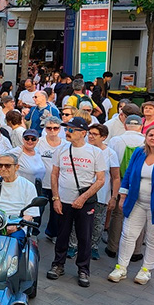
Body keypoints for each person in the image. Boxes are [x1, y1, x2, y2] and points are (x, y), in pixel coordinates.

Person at [47, 117, 106, 288]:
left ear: (83, 133)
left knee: (84, 237)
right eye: (67, 129)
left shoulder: (95, 153)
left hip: (85, 202)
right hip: (64, 200)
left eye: (71, 130)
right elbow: (54, 175)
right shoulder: (61, 150)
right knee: (62, 234)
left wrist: (83, 198)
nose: (67, 132)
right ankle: (58, 264)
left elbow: (100, 180)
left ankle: (83, 269)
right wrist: (56, 198)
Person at [108, 125, 154, 285]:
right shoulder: (139, 152)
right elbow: (129, 173)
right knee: (128, 234)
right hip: (136, 201)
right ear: (145, 137)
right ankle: (121, 267)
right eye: (150, 135)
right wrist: (123, 195)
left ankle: (146, 270)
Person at [66, 124, 119, 260]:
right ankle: (73, 245)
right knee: (76, 221)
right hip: (81, 192)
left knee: (97, 223)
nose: (91, 136)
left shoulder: (110, 153)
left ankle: (93, 246)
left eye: (95, 134)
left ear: (104, 137)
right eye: (90, 133)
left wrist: (113, 197)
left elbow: (116, 177)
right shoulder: (82, 150)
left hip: (101, 195)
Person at [106, 115, 146, 259]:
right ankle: (136, 251)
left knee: (117, 214)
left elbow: (109, 162)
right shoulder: (146, 141)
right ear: (141, 126)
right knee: (139, 215)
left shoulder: (116, 140)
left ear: (125, 125)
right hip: (141, 182)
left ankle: (112, 247)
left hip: (120, 180)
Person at [0, 153, 39, 246]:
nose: (3, 168)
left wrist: (16, 226)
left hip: (15, 225)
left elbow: (30, 214)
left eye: (7, 165)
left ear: (17, 167)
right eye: (0, 165)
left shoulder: (28, 186)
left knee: (12, 247)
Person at [36, 116, 66, 240]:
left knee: (56, 212)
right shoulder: (38, 142)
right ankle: (34, 232)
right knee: (37, 210)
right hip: (42, 182)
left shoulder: (66, 144)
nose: (52, 130)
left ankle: (52, 234)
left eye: (55, 128)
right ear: (45, 129)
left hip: (58, 184)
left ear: (59, 129)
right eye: (49, 128)